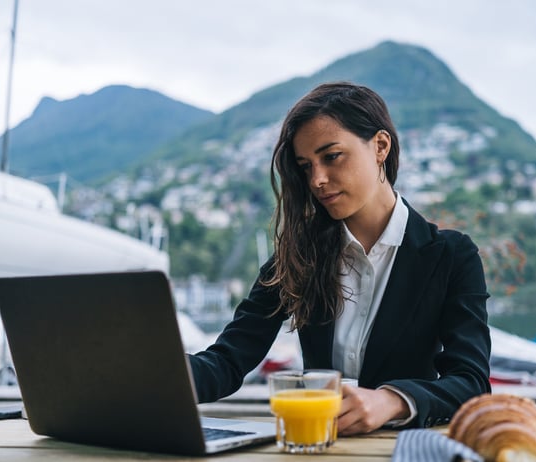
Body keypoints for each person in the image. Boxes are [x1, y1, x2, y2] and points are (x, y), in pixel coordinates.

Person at [188, 81, 491, 435]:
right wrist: (151, 372)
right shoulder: (296, 257)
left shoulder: (452, 256)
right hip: (317, 449)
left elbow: (470, 381)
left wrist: (391, 400)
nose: (317, 180)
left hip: (404, 452)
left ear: (380, 146)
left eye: (331, 156)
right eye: (305, 166)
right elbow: (227, 361)